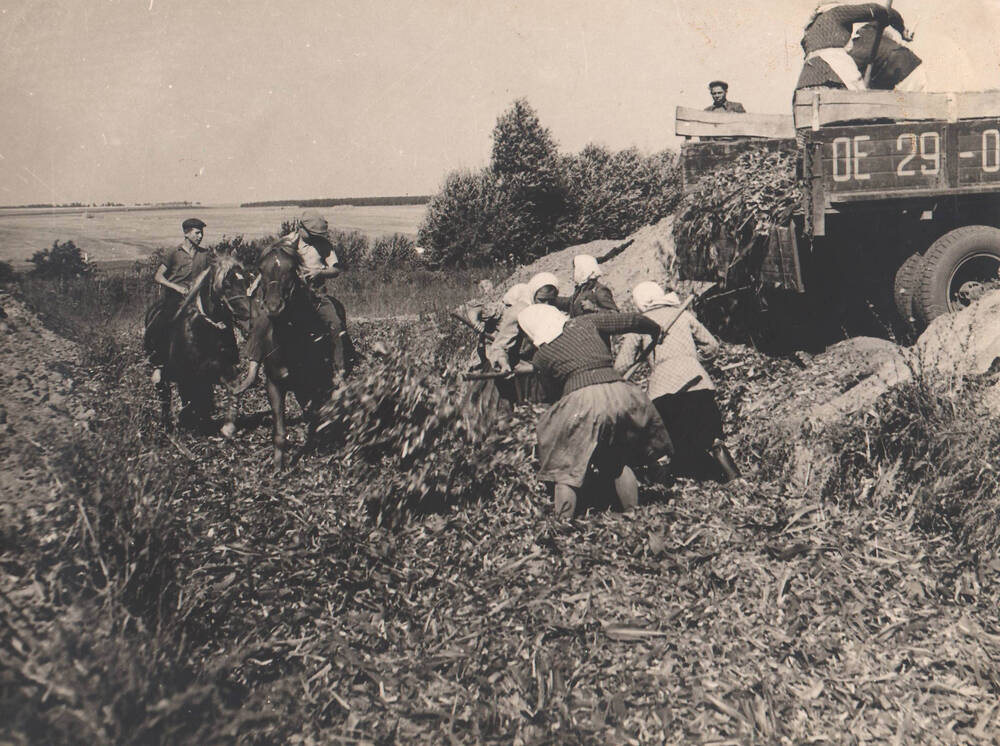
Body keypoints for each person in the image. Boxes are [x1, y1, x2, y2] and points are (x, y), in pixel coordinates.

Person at [516, 303, 673, 519]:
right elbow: (633, 320)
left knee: (565, 469)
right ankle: (633, 515)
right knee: (617, 460)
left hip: (584, 401)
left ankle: (563, 525)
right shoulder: (585, 322)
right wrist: (656, 329)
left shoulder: (542, 354)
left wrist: (535, 371)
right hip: (621, 393)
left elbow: (550, 395)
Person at [615, 282, 739, 482]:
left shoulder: (640, 323)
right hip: (696, 379)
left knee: (673, 438)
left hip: (664, 387)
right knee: (712, 436)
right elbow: (712, 345)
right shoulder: (682, 314)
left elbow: (623, 364)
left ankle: (673, 482)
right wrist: (696, 362)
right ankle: (735, 480)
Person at [243, 210, 353, 388]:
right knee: (260, 323)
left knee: (336, 324)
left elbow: (336, 269)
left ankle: (339, 372)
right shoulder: (287, 242)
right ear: (300, 227)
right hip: (289, 294)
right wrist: (256, 282)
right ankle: (252, 371)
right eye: (312, 233)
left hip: (316, 294)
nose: (314, 237)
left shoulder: (323, 244)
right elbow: (272, 265)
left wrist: (320, 272)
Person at [144, 217, 211, 384]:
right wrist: (176, 287)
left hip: (197, 298)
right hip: (176, 298)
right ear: (186, 234)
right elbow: (158, 276)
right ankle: (158, 365)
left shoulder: (205, 254)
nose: (200, 236)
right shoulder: (173, 254)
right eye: (197, 233)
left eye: (201, 232)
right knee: (163, 322)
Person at [795, 3, 909, 93]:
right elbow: (876, 9)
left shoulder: (810, 29)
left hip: (805, 84)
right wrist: (901, 29)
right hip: (831, 76)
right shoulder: (837, 12)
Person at [848, 22, 926, 92]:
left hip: (901, 76)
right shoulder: (866, 29)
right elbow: (888, 14)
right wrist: (902, 30)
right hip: (913, 63)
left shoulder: (849, 57)